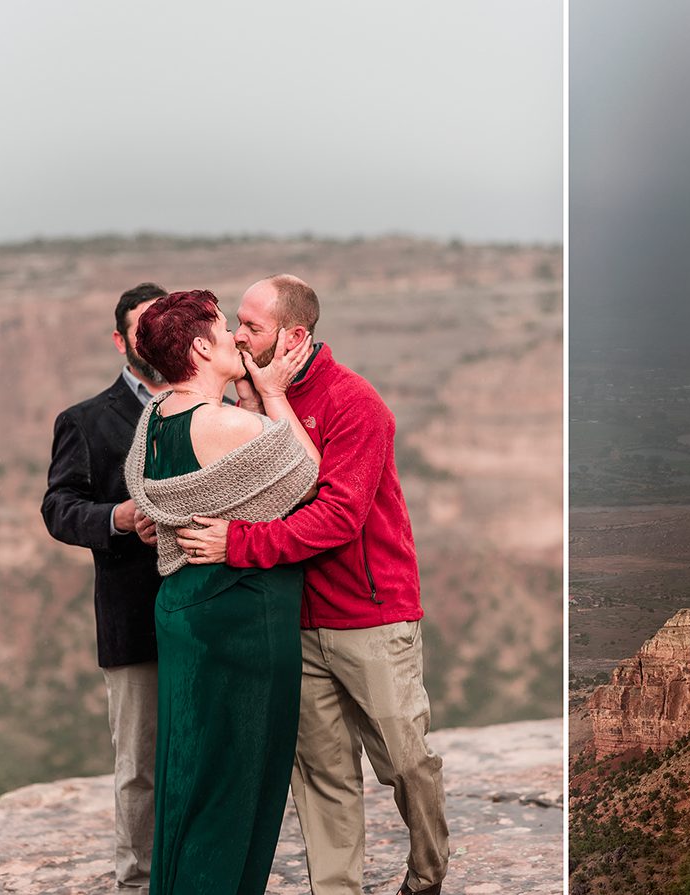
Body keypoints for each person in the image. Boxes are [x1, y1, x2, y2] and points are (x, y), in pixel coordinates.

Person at [174, 274, 449, 895]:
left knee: (406, 763)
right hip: (294, 620)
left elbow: (336, 517)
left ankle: (428, 875)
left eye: (252, 326)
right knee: (322, 774)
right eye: (237, 324)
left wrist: (236, 543)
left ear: (295, 336)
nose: (237, 335)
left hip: (371, 616)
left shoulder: (356, 404)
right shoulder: (242, 405)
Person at [123, 289, 319, 895]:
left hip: (181, 609)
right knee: (237, 779)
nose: (236, 336)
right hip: (240, 615)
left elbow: (154, 497)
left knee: (189, 771)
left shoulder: (152, 419)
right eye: (221, 327)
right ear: (202, 347)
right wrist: (278, 396)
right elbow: (305, 477)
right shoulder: (231, 425)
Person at [41, 281, 169, 893]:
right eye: (139, 327)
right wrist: (117, 518)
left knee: (207, 757)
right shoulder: (85, 421)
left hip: (216, 614)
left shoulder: (217, 408)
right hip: (134, 619)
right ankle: (137, 881)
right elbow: (58, 508)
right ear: (121, 340)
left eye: (160, 324)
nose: (150, 337)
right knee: (140, 765)